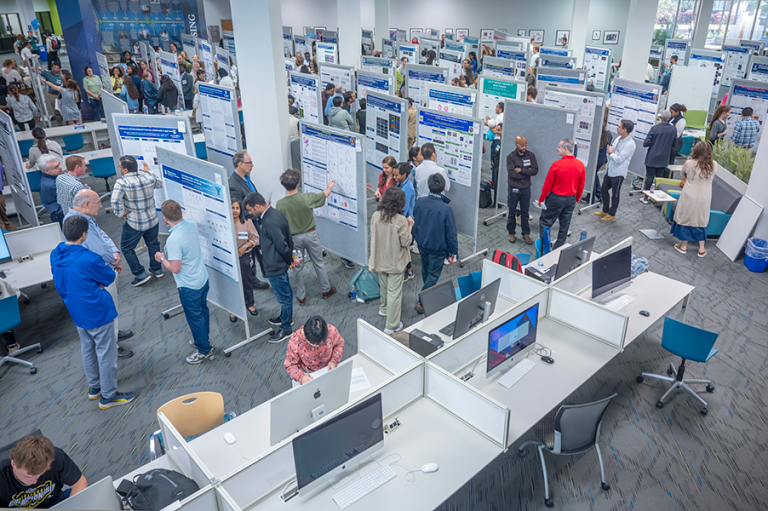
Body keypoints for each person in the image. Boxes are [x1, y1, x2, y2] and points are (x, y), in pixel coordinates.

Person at [51, 216, 136, 409]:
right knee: (107, 353)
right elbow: (108, 277)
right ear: (84, 234)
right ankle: (109, 395)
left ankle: (94, 388)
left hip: (76, 310)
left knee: (88, 349)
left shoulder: (55, 254)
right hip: (97, 312)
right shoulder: (89, 258)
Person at [65, 189, 135, 354]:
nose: (101, 206)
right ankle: (113, 346)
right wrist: (113, 258)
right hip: (99, 273)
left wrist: (114, 251)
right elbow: (98, 249)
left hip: (104, 265)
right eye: (98, 203)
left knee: (113, 305)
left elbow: (102, 236)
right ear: (87, 204)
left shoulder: (85, 218)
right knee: (108, 308)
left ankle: (115, 334)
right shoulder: (79, 222)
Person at [155, 200, 214, 364]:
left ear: (165, 219)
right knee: (202, 312)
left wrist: (161, 259)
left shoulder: (173, 240)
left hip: (189, 286)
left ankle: (204, 350)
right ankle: (203, 340)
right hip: (202, 278)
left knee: (195, 319)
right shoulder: (190, 224)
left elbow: (175, 268)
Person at [275, 169, 337, 304]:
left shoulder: (280, 204)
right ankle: (326, 290)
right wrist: (329, 186)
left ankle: (301, 295)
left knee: (298, 267)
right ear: (297, 183)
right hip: (311, 235)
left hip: (294, 240)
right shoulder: (306, 198)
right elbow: (324, 195)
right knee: (319, 263)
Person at [244, 192, 299, 343]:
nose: (249, 213)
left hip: (276, 267)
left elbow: (282, 245)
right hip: (277, 264)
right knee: (283, 296)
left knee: (284, 297)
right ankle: (284, 317)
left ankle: (286, 328)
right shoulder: (274, 214)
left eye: (250, 210)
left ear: (257, 206)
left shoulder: (269, 221)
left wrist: (290, 260)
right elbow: (287, 237)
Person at [110, 156, 164, 287]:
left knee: (127, 247)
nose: (119, 168)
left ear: (126, 169)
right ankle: (157, 269)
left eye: (120, 166)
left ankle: (140, 274)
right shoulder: (148, 178)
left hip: (135, 223)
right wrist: (148, 170)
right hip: (152, 220)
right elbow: (160, 183)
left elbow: (115, 201)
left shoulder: (122, 183)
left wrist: (120, 213)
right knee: (153, 244)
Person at [369, 187, 414, 334]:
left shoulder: (376, 215)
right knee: (394, 292)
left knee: (384, 286)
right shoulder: (400, 220)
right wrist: (410, 226)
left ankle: (384, 309)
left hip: (378, 258)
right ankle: (392, 325)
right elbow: (406, 242)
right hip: (395, 261)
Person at [0, 435, 88, 508]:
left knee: (86, 496)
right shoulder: (2, 476)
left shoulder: (54, 457)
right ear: (14, 463)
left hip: (56, 503)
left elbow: (80, 483)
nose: (35, 481)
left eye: (39, 475)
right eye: (28, 476)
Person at [412, 173, 457, 315]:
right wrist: (453, 252)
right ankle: (422, 300)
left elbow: (416, 221)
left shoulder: (420, 201)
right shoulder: (445, 209)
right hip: (437, 248)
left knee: (426, 270)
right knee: (433, 275)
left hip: (422, 244)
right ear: (444, 188)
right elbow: (451, 233)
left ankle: (427, 295)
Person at [537, 139, 585, 250]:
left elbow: (547, 185)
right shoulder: (580, 165)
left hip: (555, 199)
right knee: (564, 226)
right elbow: (581, 185)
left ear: (566, 149)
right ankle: (558, 249)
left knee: (545, 222)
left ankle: (545, 249)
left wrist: (541, 199)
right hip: (570, 199)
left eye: (559, 147)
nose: (557, 149)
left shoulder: (556, 165)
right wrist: (576, 199)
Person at [671, 141, 716, 258]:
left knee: (686, 217)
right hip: (705, 197)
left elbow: (682, 174)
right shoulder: (714, 165)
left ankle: (684, 246)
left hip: (689, 194)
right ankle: (701, 249)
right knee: (700, 220)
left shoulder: (689, 163)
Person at [285, 316, 344, 386]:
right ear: (305, 337)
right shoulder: (295, 341)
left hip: (328, 369)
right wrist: (301, 377)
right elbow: (290, 365)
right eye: (315, 345)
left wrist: (334, 360)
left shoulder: (331, 331)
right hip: (308, 375)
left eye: (322, 343)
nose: (319, 346)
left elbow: (339, 344)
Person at [596, 119, 636, 221]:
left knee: (615, 194)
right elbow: (609, 150)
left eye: (619, 127)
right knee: (603, 189)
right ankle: (605, 210)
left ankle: (612, 213)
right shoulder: (618, 138)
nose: (617, 128)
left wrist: (610, 154)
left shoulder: (630, 144)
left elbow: (619, 159)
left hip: (618, 173)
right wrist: (610, 153)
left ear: (625, 130)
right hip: (610, 170)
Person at [231, 198, 260, 321]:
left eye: (237, 208)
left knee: (246, 280)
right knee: (232, 283)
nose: (235, 210)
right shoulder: (224, 222)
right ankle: (233, 308)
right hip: (230, 257)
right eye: (232, 207)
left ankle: (249, 303)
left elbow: (255, 238)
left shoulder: (246, 222)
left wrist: (244, 247)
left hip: (243, 256)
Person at [506, 135, 539, 245]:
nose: (524, 147)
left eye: (525, 145)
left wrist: (520, 170)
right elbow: (512, 174)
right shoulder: (510, 157)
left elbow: (535, 171)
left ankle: (526, 233)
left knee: (525, 212)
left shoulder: (531, 155)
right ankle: (511, 233)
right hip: (514, 188)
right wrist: (526, 172)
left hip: (525, 189)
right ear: (516, 145)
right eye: (521, 145)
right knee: (512, 211)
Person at [641, 110, 677, 200]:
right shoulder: (673, 129)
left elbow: (646, 143)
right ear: (669, 118)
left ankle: (646, 197)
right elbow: (674, 144)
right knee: (659, 178)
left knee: (649, 177)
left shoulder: (654, 128)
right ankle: (657, 198)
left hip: (652, 157)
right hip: (664, 158)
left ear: (661, 117)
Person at [37, 155, 64, 225]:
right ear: (46, 171)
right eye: (56, 167)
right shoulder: (51, 185)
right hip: (61, 214)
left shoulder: (52, 178)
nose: (60, 168)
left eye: (59, 165)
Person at [485, 102, 504, 186]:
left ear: (500, 109)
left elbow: (494, 131)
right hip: (499, 142)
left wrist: (487, 124)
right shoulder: (504, 116)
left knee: (494, 163)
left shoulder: (499, 117)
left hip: (496, 142)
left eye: (497, 107)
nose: (495, 109)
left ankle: (493, 183)